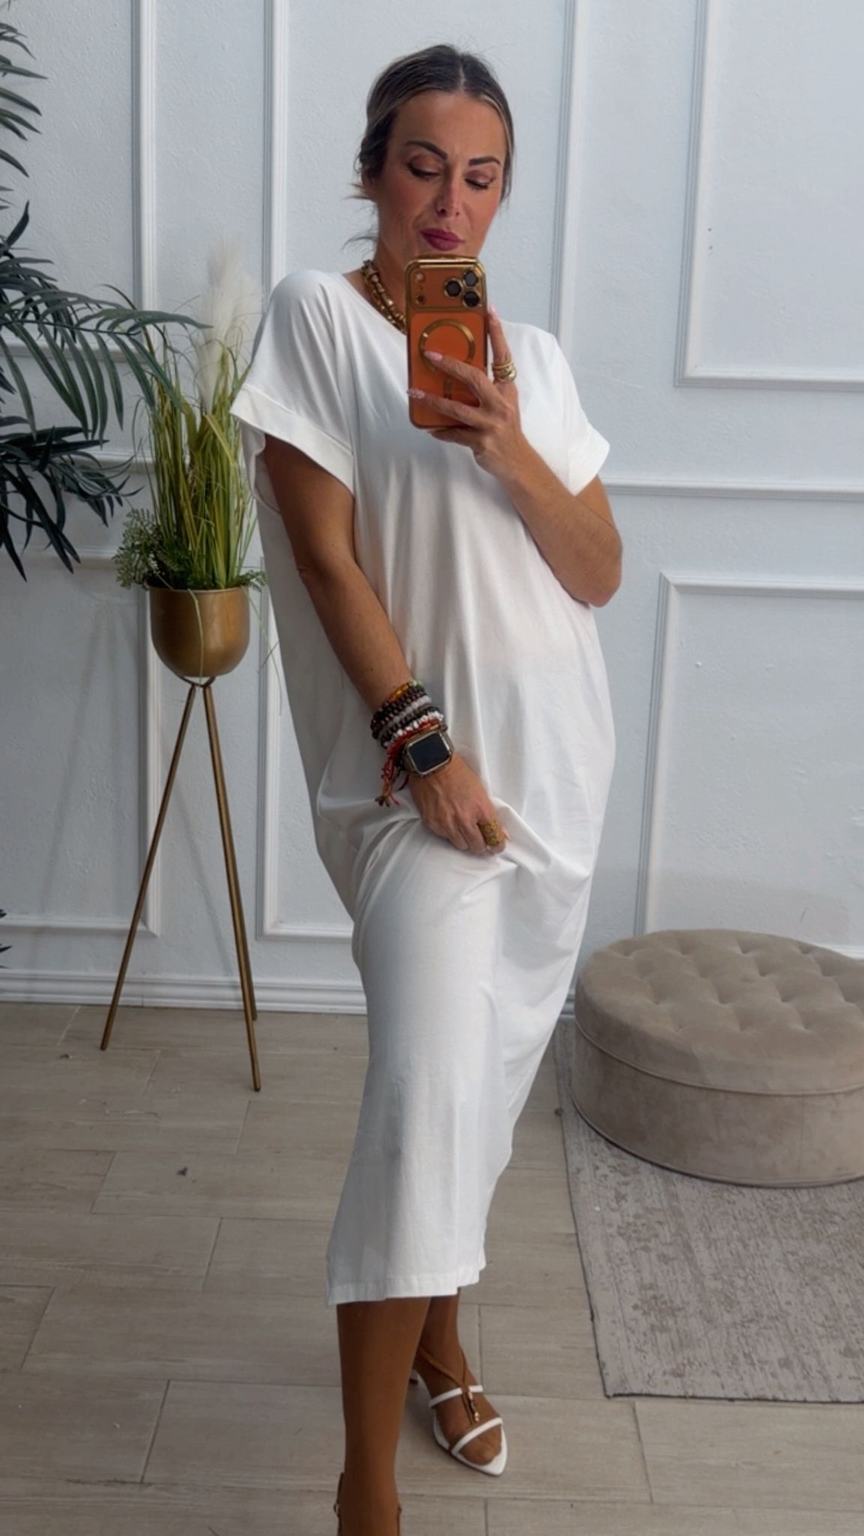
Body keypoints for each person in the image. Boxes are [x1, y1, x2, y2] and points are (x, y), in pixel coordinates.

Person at [230, 41, 621, 1536]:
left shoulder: (536, 362)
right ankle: (366, 1493)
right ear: (372, 171)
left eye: (482, 178)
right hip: (421, 787)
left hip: (555, 773)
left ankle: (444, 1343)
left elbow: (597, 570)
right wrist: (424, 746)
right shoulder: (317, 320)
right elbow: (326, 560)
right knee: (422, 1100)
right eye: (422, 168)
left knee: (483, 1099)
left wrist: (507, 442)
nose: (451, 203)